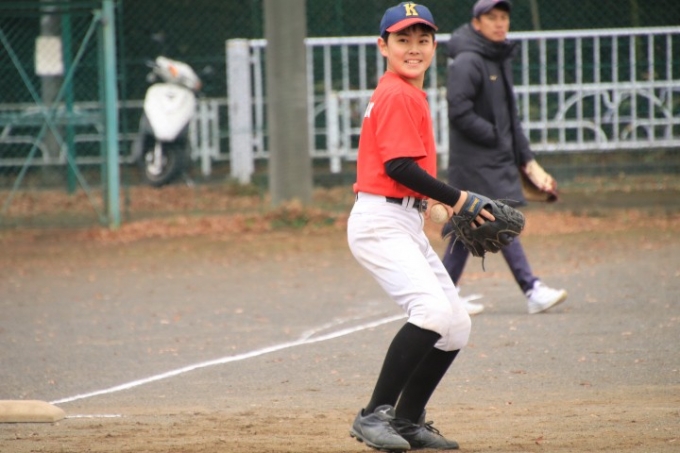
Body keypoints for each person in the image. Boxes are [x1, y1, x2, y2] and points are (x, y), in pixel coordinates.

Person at [347, 2, 494, 451]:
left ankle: (407, 420)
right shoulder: (398, 93)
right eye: (402, 39)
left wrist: (432, 201)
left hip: (400, 217)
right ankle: (374, 415)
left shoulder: (403, 92)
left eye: (423, 39)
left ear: (434, 46)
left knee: (455, 325)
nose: (414, 48)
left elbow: (399, 168)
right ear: (383, 46)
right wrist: (459, 198)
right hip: (380, 221)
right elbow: (397, 165)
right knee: (431, 312)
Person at [443, 0, 568, 316]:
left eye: (504, 17)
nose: (500, 23)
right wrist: (495, 136)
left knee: (466, 227)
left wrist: (527, 159)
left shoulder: (496, 57)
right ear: (477, 23)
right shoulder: (469, 60)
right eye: (492, 17)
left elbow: (510, 117)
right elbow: (459, 110)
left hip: (493, 159)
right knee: (498, 219)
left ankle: (443, 294)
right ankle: (532, 288)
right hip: (475, 163)